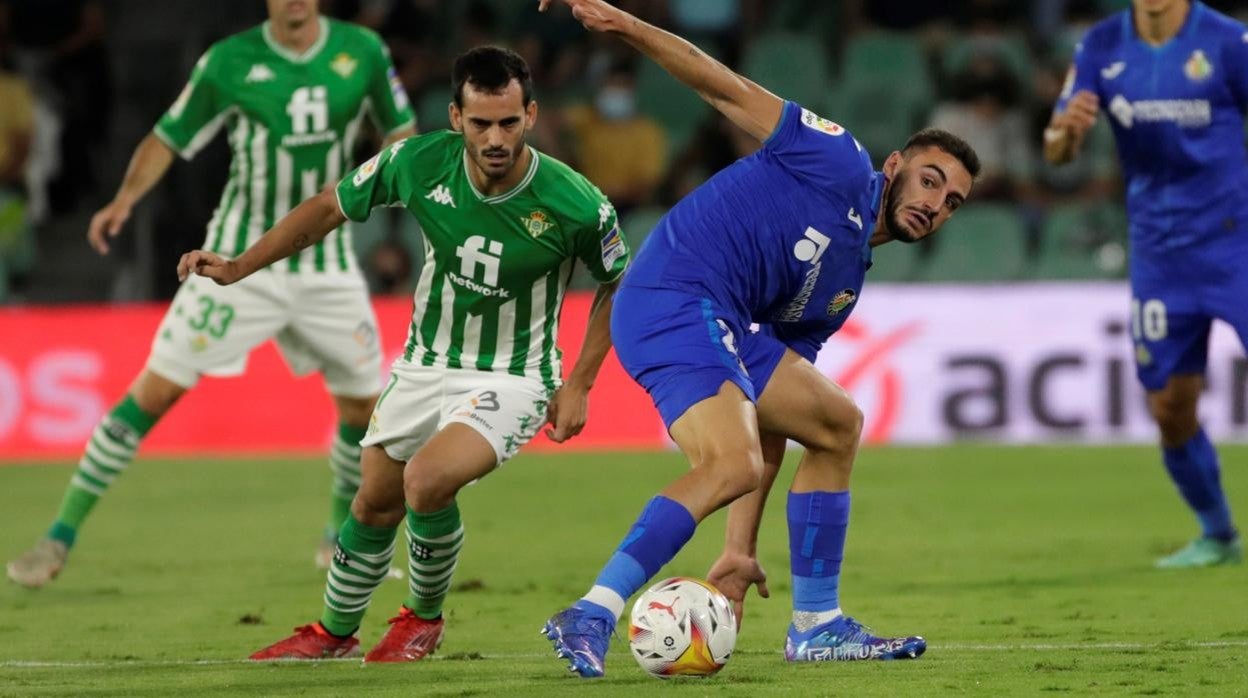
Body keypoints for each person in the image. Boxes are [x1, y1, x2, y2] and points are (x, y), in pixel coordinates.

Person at [537, 0, 979, 677]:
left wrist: (738, 549)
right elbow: (721, 86)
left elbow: (768, 421)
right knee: (731, 463)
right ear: (894, 165)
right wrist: (625, 25)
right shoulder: (835, 157)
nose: (934, 203)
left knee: (833, 424)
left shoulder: (842, 287)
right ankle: (593, 610)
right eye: (930, 181)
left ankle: (817, 625)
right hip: (671, 294)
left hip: (717, 320)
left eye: (952, 203)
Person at [189, 46, 628, 663]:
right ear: (456, 117)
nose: (495, 138)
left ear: (530, 115)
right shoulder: (416, 162)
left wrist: (580, 381)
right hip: (425, 363)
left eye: (508, 122)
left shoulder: (576, 202)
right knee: (373, 500)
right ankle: (334, 633)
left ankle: (422, 619)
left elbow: (618, 282)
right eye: (481, 123)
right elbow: (329, 207)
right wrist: (240, 266)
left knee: (426, 481)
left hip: (515, 375)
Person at [5, 0, 416, 589]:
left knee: (362, 410)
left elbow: (402, 134)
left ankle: (335, 540)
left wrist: (384, 185)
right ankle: (58, 537)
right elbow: (167, 137)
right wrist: (124, 200)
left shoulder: (364, 52)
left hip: (324, 261)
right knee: (155, 391)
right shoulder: (229, 61)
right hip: (234, 260)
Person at [1044, 0, 1242, 568]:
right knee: (1170, 407)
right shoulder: (1101, 45)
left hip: (1236, 245)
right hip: (1160, 253)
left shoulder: (1228, 42)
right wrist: (1066, 132)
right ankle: (1218, 535)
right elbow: (1055, 150)